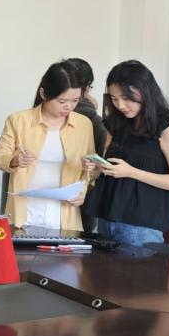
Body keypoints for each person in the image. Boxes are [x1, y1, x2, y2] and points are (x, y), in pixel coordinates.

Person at [84, 60, 169, 247]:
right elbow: (108, 169)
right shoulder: (116, 123)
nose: (120, 105)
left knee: (138, 267)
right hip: (106, 217)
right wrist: (97, 168)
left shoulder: (167, 128)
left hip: (141, 225)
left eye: (126, 98)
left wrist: (131, 172)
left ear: (145, 91)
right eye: (114, 99)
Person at [0, 61, 95, 231]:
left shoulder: (84, 125)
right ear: (43, 93)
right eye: (62, 101)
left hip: (65, 212)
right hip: (25, 209)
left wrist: (83, 189)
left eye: (75, 100)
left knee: (65, 249)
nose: (69, 106)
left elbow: (91, 171)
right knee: (22, 247)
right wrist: (15, 160)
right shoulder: (18, 120)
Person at [66, 57, 108, 234]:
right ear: (87, 88)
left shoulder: (38, 113)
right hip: (81, 206)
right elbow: (99, 167)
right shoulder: (96, 121)